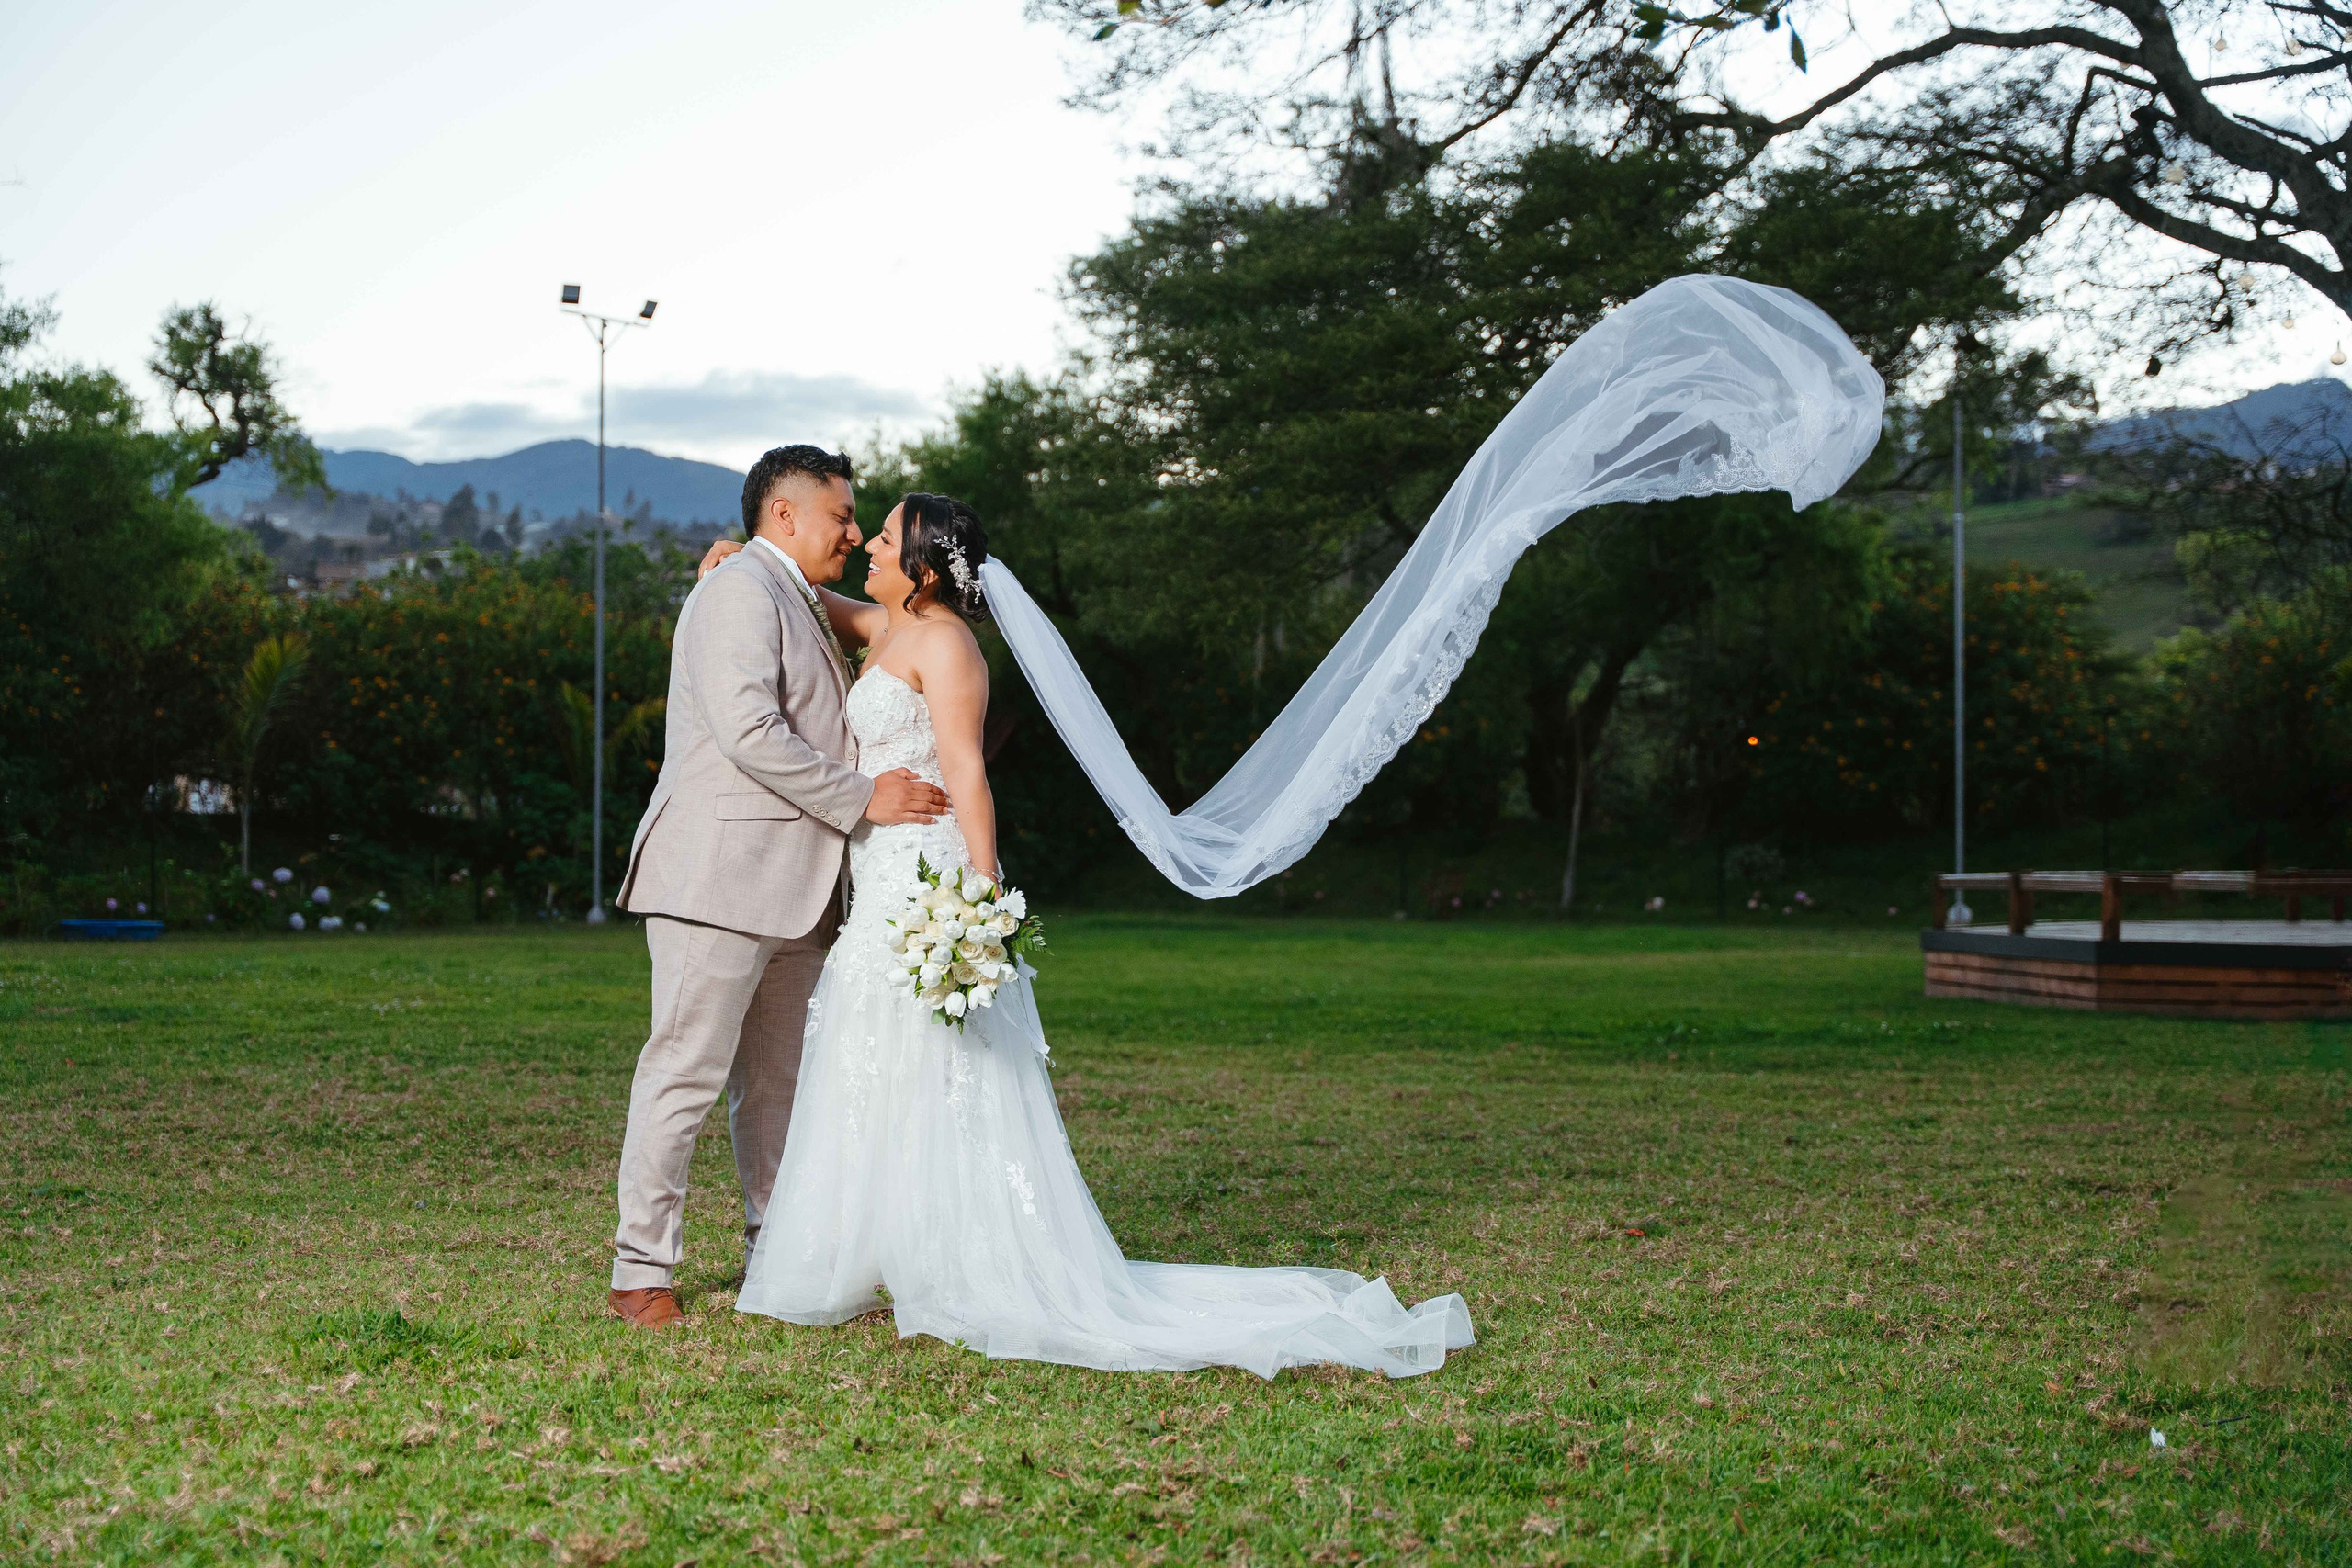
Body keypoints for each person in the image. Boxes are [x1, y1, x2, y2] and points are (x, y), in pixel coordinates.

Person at [704, 496, 1473, 1377]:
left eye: (881, 537)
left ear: (921, 569)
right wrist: (745, 554)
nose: (864, 546)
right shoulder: (885, 622)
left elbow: (968, 773)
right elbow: (803, 591)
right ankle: (868, 1252)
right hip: (875, 871)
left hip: (926, 869)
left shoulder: (948, 646)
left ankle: (954, 1257)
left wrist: (979, 900)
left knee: (936, 1058)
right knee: (870, 1050)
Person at [605, 446, 950, 1330]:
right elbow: (751, 729)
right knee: (684, 1070)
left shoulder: (790, 591)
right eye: (841, 515)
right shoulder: (737, 591)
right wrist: (864, 799)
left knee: (779, 1084)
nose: (851, 530)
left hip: (799, 888)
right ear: (785, 516)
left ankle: (781, 1255)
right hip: (717, 878)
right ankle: (641, 1270)